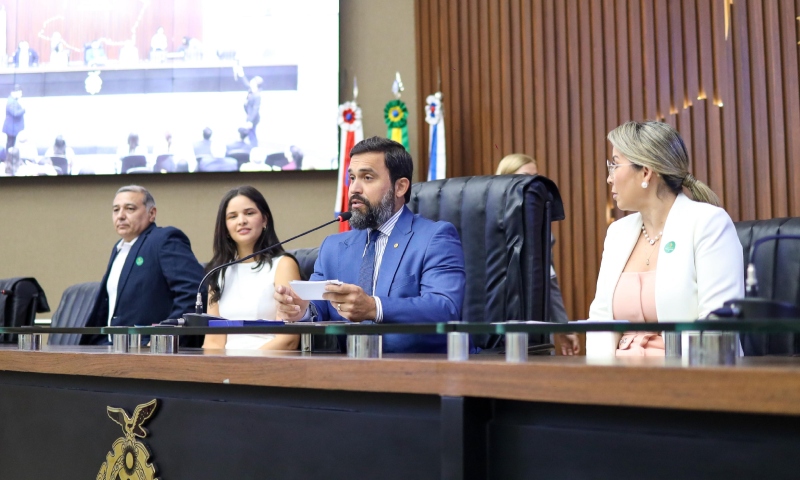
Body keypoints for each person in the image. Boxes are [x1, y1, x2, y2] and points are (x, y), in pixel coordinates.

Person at [560, 121, 744, 356]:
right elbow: (600, 320)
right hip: (618, 373)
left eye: (615, 165)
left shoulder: (709, 224)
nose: (609, 178)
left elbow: (718, 324)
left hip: (685, 370)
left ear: (645, 172)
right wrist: (602, 373)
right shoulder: (617, 232)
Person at [274, 136, 466, 353]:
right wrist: (301, 310)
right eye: (352, 178)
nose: (354, 189)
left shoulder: (435, 237)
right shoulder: (333, 248)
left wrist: (374, 307)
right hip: (348, 368)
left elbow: (446, 308)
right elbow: (318, 308)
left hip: (421, 366)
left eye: (367, 177)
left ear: (400, 187)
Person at [83, 185, 204, 345]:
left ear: (151, 213)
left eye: (130, 209)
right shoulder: (118, 248)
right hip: (112, 345)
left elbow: (194, 291)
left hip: (150, 347)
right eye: (116, 210)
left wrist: (165, 337)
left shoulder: (164, 240)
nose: (120, 216)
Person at [203, 186, 302, 350]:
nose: (241, 221)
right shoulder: (218, 272)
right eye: (233, 216)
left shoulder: (283, 264)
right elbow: (213, 341)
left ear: (264, 220)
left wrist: (246, 363)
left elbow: (288, 339)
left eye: (249, 213)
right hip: (225, 363)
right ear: (225, 227)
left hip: (269, 360)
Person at [496, 153, 568, 324]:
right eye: (525, 177)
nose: (532, 184)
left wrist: (562, 324)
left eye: (535, 178)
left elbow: (549, 280)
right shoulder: (487, 220)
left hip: (532, 320)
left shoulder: (540, 229)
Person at [234, 65, 262, 147]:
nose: (251, 82)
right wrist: (241, 74)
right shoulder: (252, 90)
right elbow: (246, 83)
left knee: (251, 133)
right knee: (251, 133)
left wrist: (250, 121)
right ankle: (253, 146)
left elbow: (255, 109)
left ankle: (254, 147)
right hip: (249, 116)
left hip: (253, 118)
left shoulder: (257, 95)